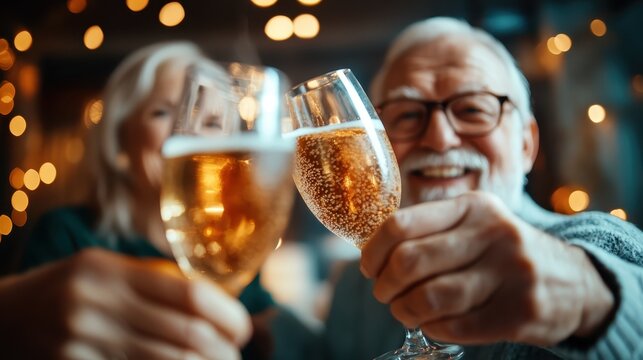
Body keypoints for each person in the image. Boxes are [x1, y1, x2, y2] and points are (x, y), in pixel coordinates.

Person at [322, 17, 643, 359]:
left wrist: (584, 298)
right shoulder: (355, 286)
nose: (440, 139)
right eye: (407, 115)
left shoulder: (587, 239)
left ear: (526, 145)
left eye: (473, 109)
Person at [15, 41, 278, 359]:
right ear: (120, 140)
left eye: (210, 123)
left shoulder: (231, 248)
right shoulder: (67, 234)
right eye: (165, 112)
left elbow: (273, 328)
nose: (191, 134)